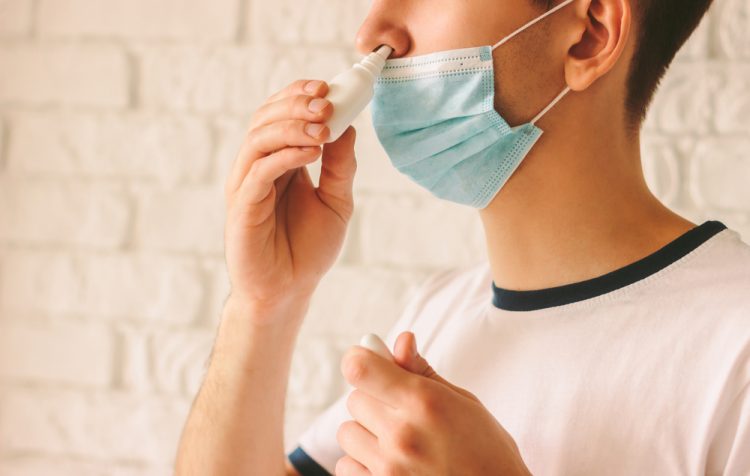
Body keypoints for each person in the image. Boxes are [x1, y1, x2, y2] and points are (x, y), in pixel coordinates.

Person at [174, 0, 750, 474]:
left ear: (589, 36)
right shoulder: (437, 314)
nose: (372, 32)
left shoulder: (736, 347)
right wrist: (265, 304)